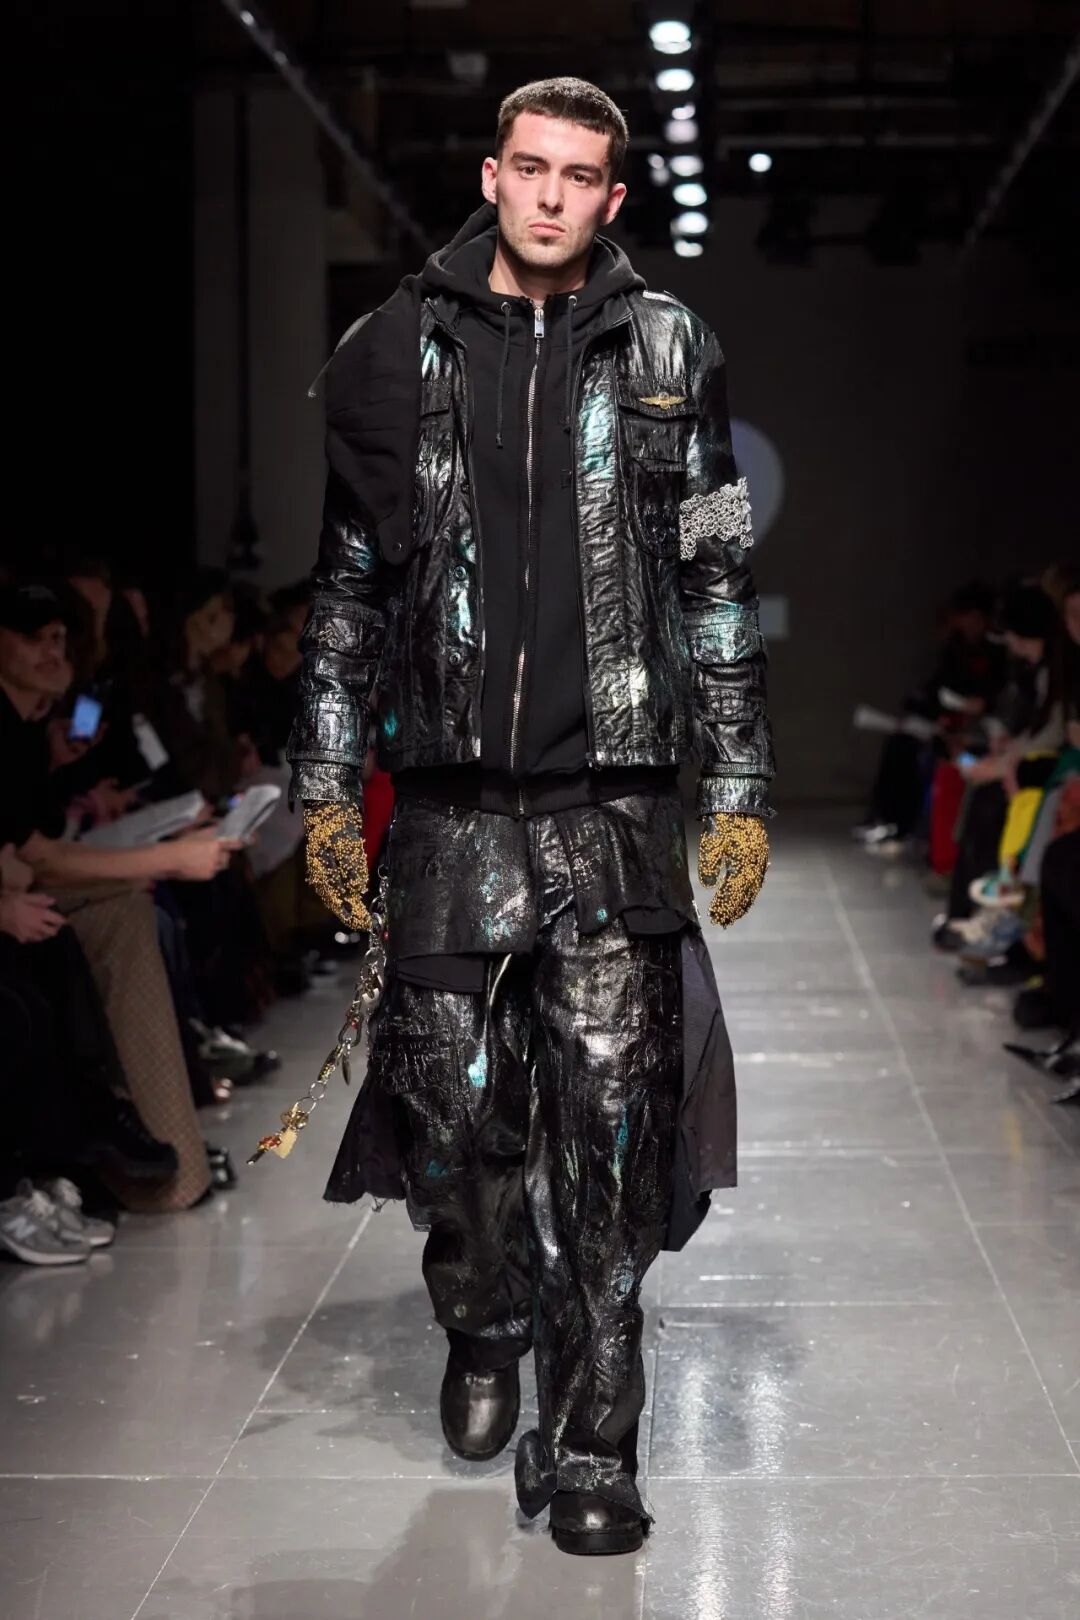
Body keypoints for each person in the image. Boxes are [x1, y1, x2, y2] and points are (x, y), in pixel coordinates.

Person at [287, 78, 774, 1556]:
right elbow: (348, 587)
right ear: (493, 176)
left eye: (582, 176)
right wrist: (326, 784)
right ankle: (486, 1313)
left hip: (610, 798)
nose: (554, 195)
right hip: (449, 805)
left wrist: (738, 783)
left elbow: (714, 570)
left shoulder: (676, 347)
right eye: (531, 168)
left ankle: (595, 1445)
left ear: (613, 197)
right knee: (447, 1120)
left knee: (611, 1141)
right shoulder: (395, 350)